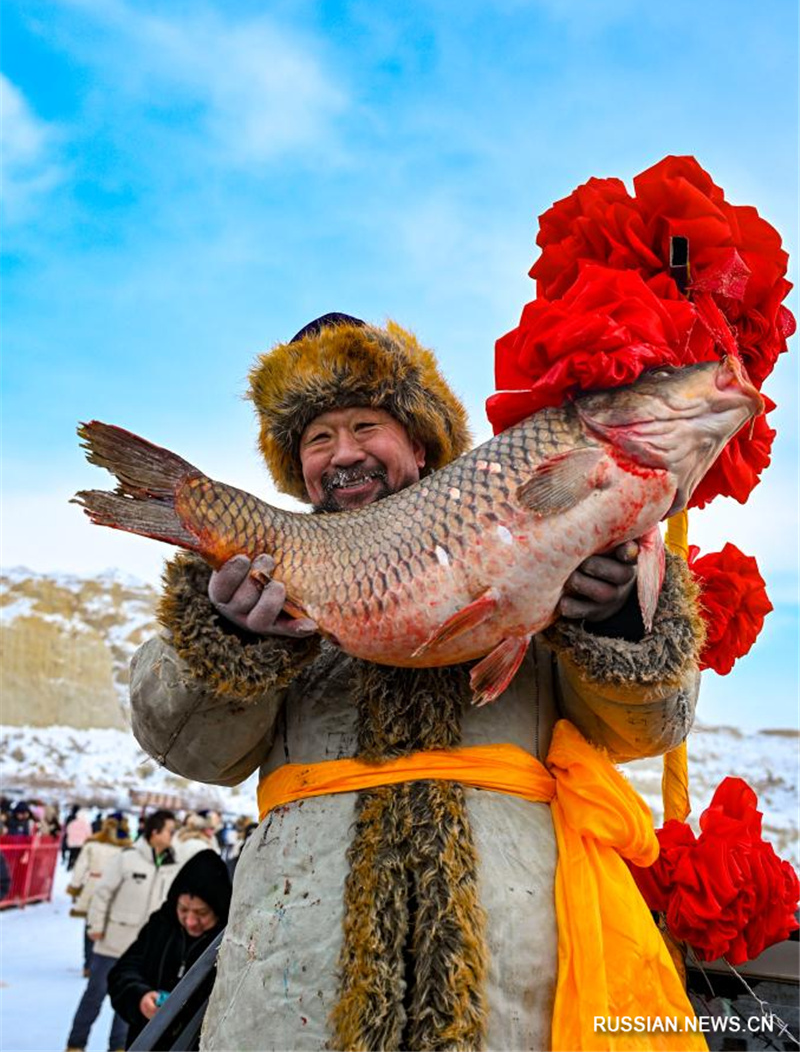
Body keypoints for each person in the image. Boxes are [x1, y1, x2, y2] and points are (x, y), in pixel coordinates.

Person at [130, 315, 702, 1051]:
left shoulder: (553, 518)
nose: (343, 455)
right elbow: (193, 752)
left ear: (421, 440)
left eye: (366, 425)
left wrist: (618, 621)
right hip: (296, 973)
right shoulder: (250, 571)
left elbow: (649, 730)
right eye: (317, 439)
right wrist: (229, 640)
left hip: (514, 971)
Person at [65, 809, 177, 1052]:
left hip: (143, 951)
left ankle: (119, 1047)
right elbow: (102, 894)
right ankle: (76, 1044)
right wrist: (95, 927)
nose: (173, 836)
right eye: (170, 831)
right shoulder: (127, 859)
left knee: (130, 1001)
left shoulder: (171, 865)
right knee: (94, 997)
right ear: (155, 832)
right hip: (112, 943)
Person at [108, 849, 231, 1048]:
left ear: (218, 909)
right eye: (183, 909)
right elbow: (123, 972)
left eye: (201, 913)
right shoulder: (161, 926)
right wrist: (140, 996)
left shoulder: (230, 943)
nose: (191, 921)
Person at [67, 816, 131, 977]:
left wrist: (75, 887)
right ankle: (101, 963)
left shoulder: (93, 845)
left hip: (93, 886)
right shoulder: (126, 850)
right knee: (108, 926)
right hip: (115, 889)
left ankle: (88, 963)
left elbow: (80, 868)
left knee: (91, 925)